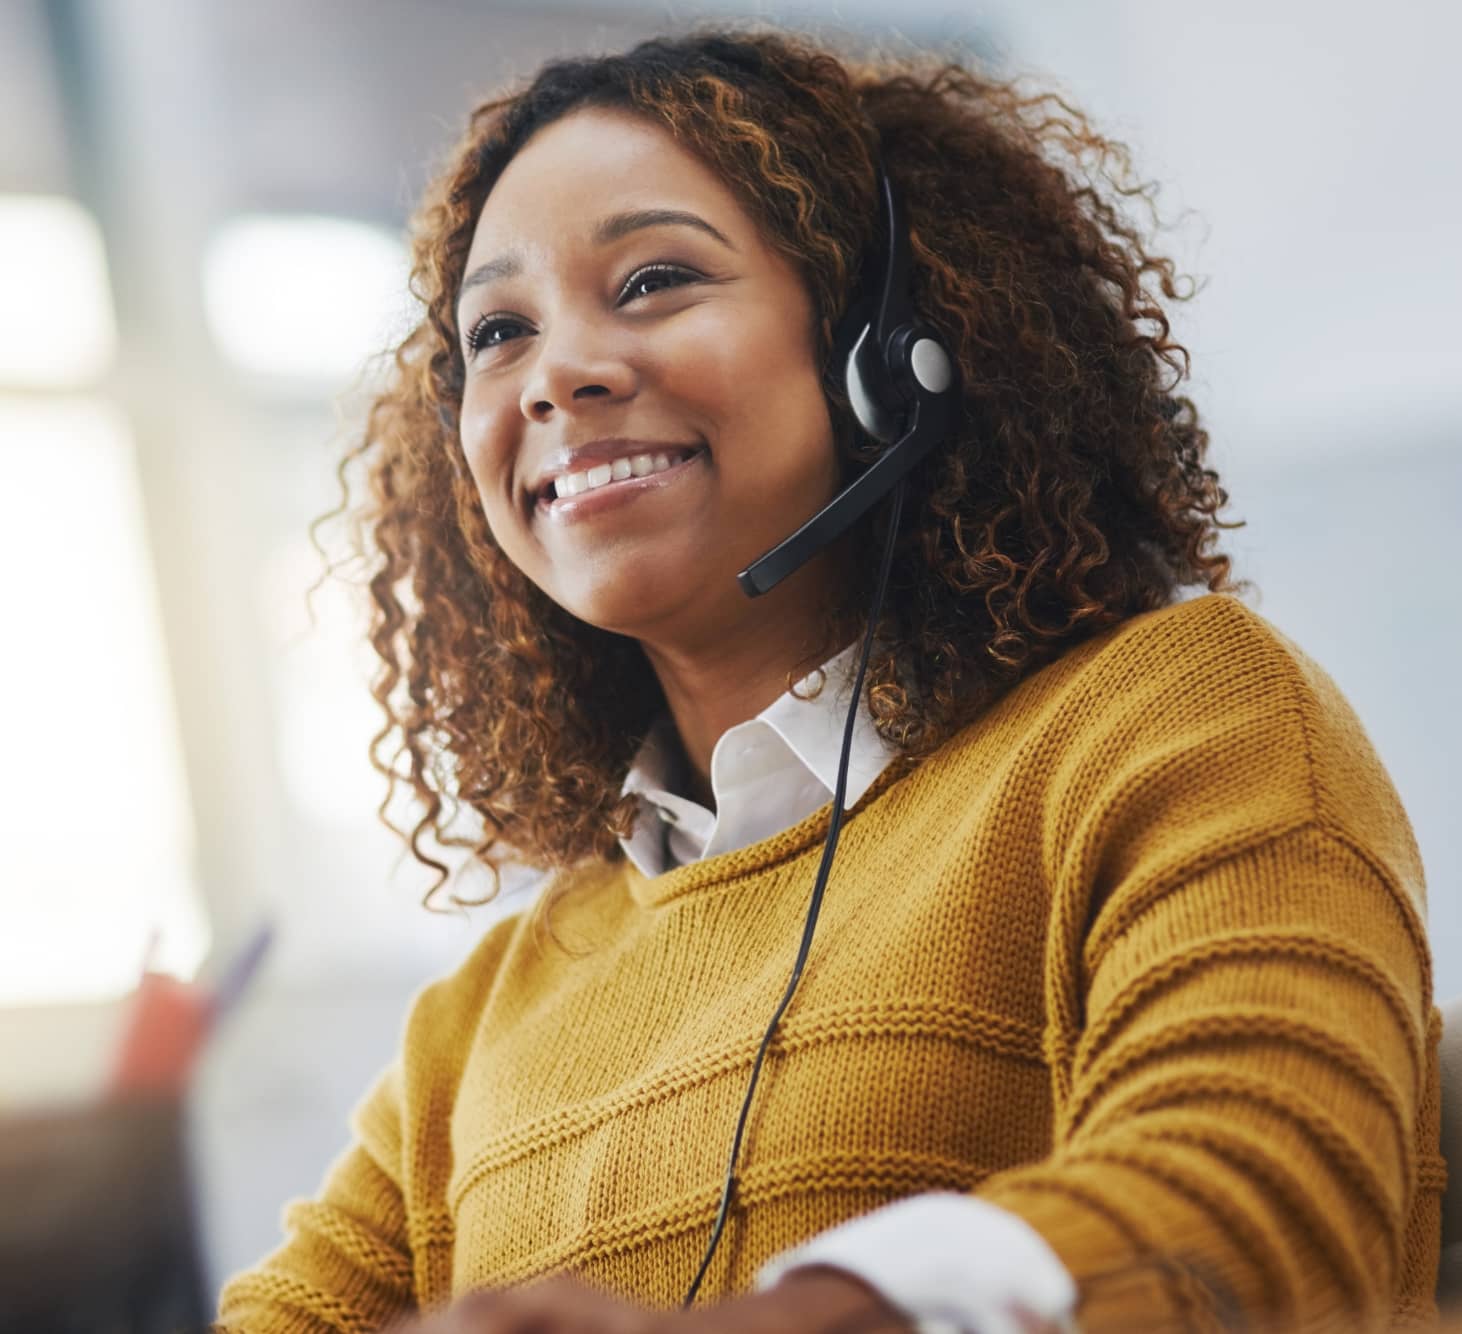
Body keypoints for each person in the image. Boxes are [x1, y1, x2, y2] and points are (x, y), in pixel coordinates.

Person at [215, 27, 1444, 1333]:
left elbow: (1259, 1214)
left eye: (652, 280)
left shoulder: (1173, 715)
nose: (558, 374)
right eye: (499, 330)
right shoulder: (486, 1009)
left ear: (890, 346)